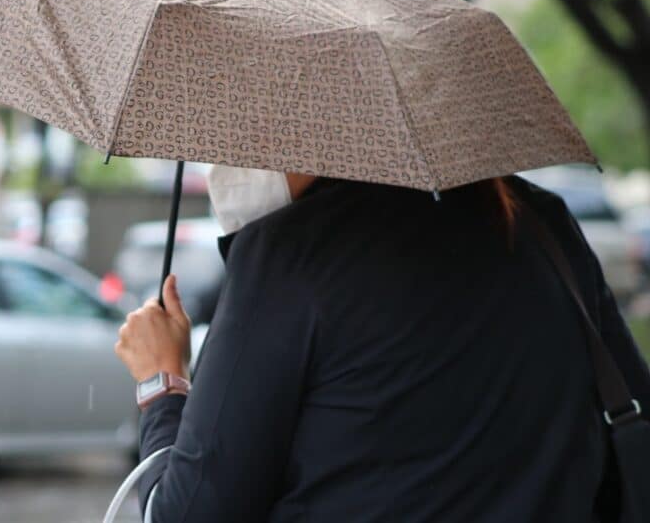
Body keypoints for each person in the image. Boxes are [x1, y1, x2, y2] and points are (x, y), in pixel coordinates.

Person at [114, 167, 650, 522]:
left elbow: (185, 514)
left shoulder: (290, 256)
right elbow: (631, 405)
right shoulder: (539, 220)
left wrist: (162, 382)